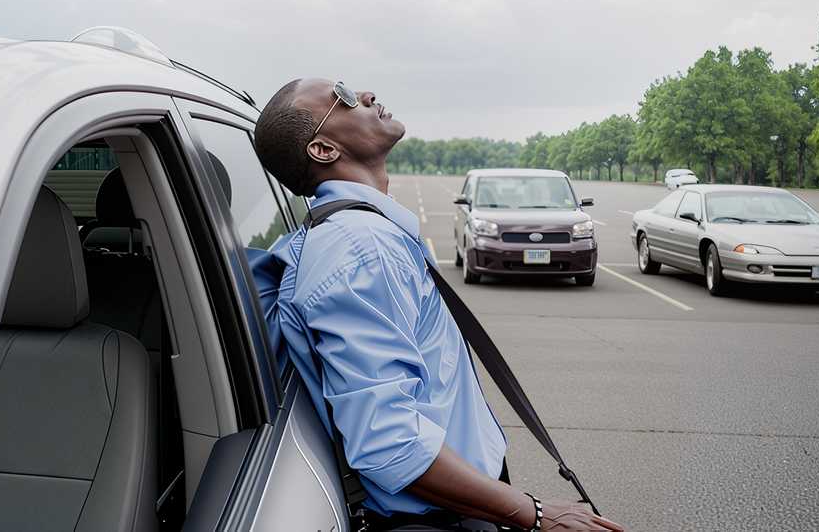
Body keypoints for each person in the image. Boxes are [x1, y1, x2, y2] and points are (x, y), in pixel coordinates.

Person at [252, 78, 625, 531]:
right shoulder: (362, 248)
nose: (367, 94)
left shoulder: (365, 235)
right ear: (325, 150)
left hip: (459, 506)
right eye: (344, 96)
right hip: (439, 517)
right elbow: (388, 443)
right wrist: (536, 513)